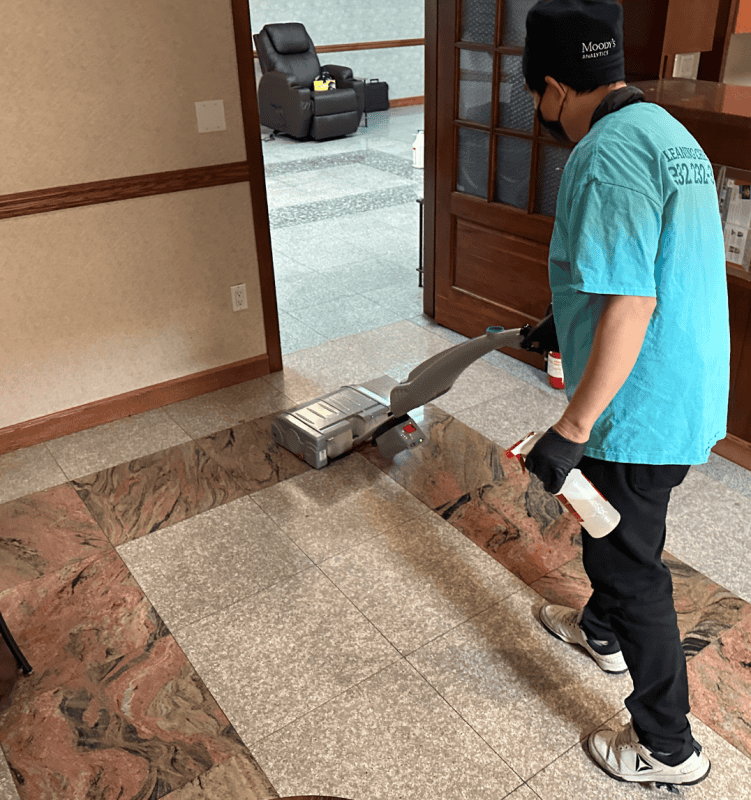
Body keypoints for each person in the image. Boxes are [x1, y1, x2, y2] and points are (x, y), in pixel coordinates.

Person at [519, 0, 730, 789]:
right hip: (685, 389)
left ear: (552, 87)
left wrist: (571, 427)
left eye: (534, 97)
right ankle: (599, 633)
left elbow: (630, 302)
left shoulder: (601, 155)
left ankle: (669, 749)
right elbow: (650, 263)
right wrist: (557, 320)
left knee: (628, 564)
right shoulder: (664, 132)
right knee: (622, 534)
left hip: (634, 407)